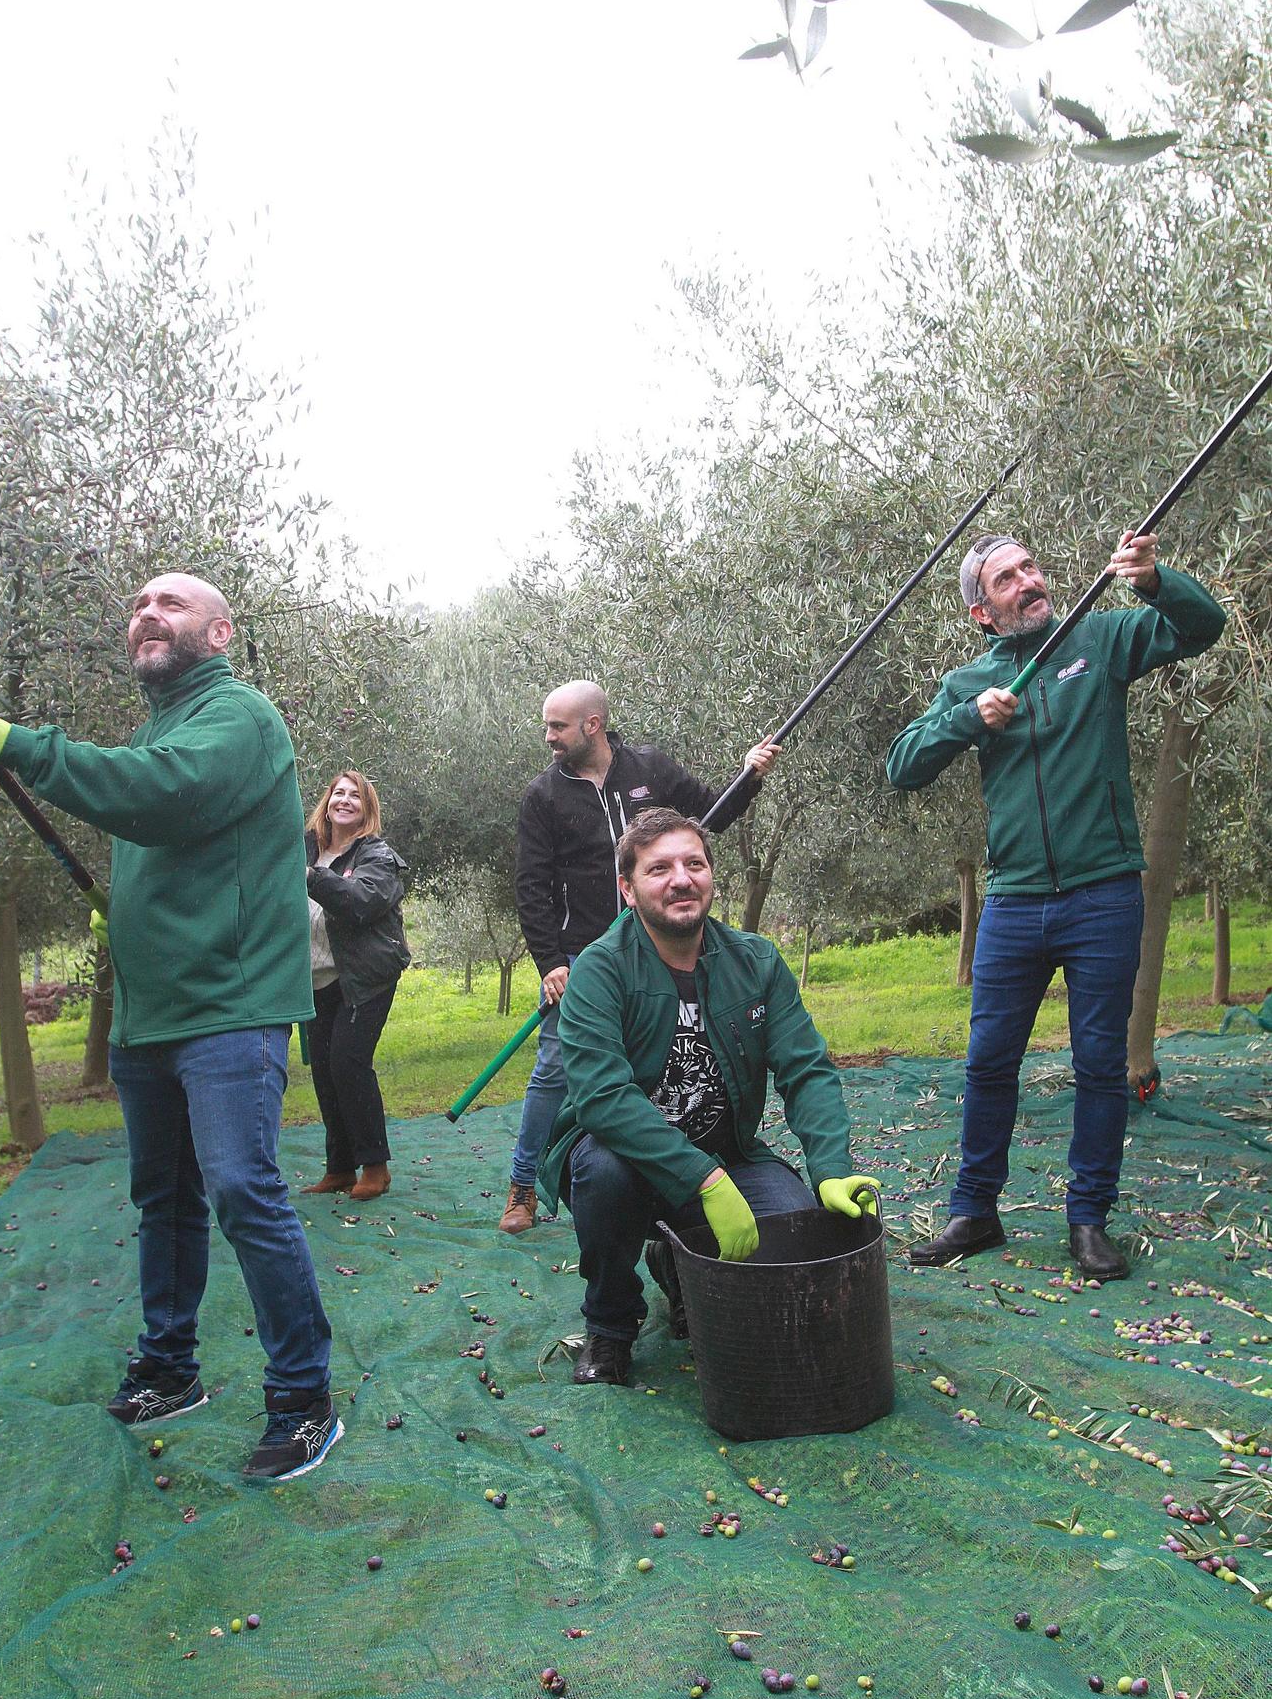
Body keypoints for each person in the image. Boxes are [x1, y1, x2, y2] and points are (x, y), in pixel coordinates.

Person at [0, 573, 341, 1480]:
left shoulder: (240, 717)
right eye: (136, 607)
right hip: (152, 1011)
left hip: (229, 1009)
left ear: (221, 632)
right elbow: (171, 837)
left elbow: (163, 796)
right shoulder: (154, 727)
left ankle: (304, 1400)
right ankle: (171, 1368)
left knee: (242, 1190)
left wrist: (23, 747)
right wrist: (122, 910)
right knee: (163, 1199)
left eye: (171, 604)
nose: (147, 615)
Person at [886, 529, 1226, 1280]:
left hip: (1103, 892)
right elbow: (901, 767)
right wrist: (968, 718)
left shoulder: (1098, 640)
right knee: (987, 1064)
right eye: (1006, 579)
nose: (1028, 582)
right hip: (1012, 904)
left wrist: (1153, 579)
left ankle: (1087, 1220)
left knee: (1100, 1064)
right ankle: (974, 1213)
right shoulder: (968, 681)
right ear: (982, 610)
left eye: (1030, 568)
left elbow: (1202, 628)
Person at [537, 807, 879, 1385]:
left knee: (796, 1227)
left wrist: (831, 1170)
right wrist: (704, 1179)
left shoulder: (756, 961)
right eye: (659, 869)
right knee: (603, 1172)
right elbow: (601, 1097)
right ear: (627, 888)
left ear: (711, 876)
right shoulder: (600, 969)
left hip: (731, 1154)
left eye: (694, 864)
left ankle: (677, 1262)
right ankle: (611, 1326)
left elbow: (807, 1071)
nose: (680, 879)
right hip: (630, 1158)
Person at [503, 679, 781, 1235]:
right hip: (584, 954)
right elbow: (531, 883)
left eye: (557, 726)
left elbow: (712, 815)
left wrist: (749, 777)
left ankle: (686, 1168)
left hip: (659, 947)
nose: (548, 737)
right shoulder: (545, 795)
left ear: (592, 725)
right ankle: (524, 1185)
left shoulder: (649, 769)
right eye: (547, 726)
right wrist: (551, 962)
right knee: (556, 1067)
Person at [303, 770, 410, 1201]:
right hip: (315, 976)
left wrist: (310, 877)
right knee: (325, 1072)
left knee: (348, 1062)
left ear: (367, 810)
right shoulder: (305, 848)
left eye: (355, 796)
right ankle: (340, 1167)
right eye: (338, 793)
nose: (344, 801)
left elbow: (361, 902)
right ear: (326, 802)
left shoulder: (377, 856)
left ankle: (375, 1166)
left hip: (365, 978)